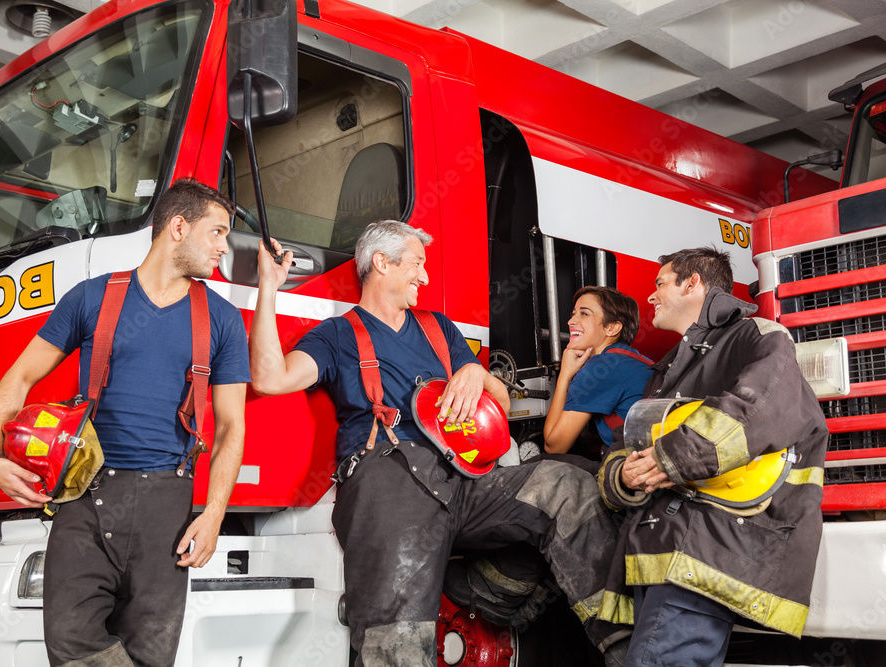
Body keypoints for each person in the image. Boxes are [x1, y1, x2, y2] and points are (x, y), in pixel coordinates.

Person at [250, 220, 630, 667]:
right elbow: (270, 378)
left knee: (570, 484)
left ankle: (631, 648)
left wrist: (478, 374)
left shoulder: (439, 329)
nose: (424, 277)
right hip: (390, 486)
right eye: (416, 264)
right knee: (398, 645)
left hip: (464, 478)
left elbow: (502, 400)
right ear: (381, 263)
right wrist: (268, 288)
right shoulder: (337, 337)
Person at [0, 178, 250, 667]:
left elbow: (232, 427)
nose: (223, 247)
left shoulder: (224, 320)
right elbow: (19, 375)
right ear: (177, 226)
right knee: (68, 638)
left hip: (167, 506)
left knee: (152, 653)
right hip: (85, 495)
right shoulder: (91, 298)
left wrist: (213, 515)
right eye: (216, 232)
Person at [597, 247, 828, 667]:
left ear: (693, 284)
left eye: (660, 283)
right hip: (667, 552)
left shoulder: (756, 335)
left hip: (708, 547)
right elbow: (624, 446)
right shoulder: (666, 371)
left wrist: (669, 459)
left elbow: (757, 408)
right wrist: (622, 477)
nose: (651, 297)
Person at [543, 287, 653, 463]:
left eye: (584, 314)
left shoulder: (600, 367)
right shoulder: (641, 360)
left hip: (633, 471)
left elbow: (554, 446)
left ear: (612, 328)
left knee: (539, 462)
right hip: (651, 464)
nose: (571, 321)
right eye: (573, 314)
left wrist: (565, 374)